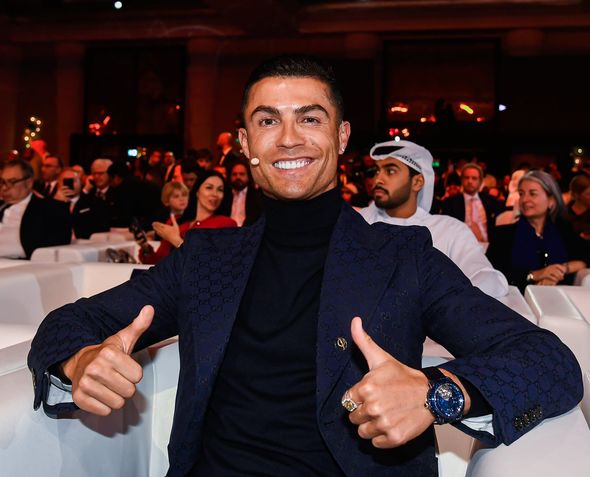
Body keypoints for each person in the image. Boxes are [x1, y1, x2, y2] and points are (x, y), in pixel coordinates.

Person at [29, 55, 581, 477]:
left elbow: (551, 362)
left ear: (341, 136)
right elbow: (68, 323)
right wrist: (79, 363)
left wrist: (436, 394)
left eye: (309, 118)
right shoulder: (205, 259)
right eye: (268, 120)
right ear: (245, 142)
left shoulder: (403, 257)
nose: (289, 138)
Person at [360, 140, 508, 298]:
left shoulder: (449, 229)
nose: (378, 179)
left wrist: (445, 301)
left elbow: (489, 278)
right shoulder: (359, 224)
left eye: (390, 171)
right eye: (377, 171)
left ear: (417, 182)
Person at [487, 170, 588, 292]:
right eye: (521, 194)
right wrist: (534, 275)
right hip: (517, 300)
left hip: (560, 298)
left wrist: (561, 269)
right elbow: (491, 274)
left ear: (551, 201)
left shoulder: (564, 231)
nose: (525, 199)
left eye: (532, 194)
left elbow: (586, 254)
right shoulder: (503, 235)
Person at [141, 171, 236, 264]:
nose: (215, 194)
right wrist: (145, 247)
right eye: (209, 188)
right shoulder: (176, 222)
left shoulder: (226, 224)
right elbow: (158, 262)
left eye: (220, 190)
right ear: (197, 191)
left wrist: (176, 240)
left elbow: (210, 263)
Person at [0, 159, 71, 258]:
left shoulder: (51, 210)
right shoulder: (2, 206)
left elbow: (54, 251)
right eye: (2, 182)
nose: (4, 188)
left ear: (29, 183)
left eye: (12, 182)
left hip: (20, 264)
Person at [440, 162, 504, 243]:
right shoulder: (450, 203)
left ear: (480, 181)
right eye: (466, 178)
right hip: (461, 245)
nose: (470, 181)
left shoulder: (491, 201)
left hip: (488, 245)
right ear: (461, 180)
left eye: (474, 178)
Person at [227, 160, 263, 227]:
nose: (238, 177)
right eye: (234, 174)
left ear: (248, 176)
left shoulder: (257, 196)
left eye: (242, 174)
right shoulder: (225, 195)